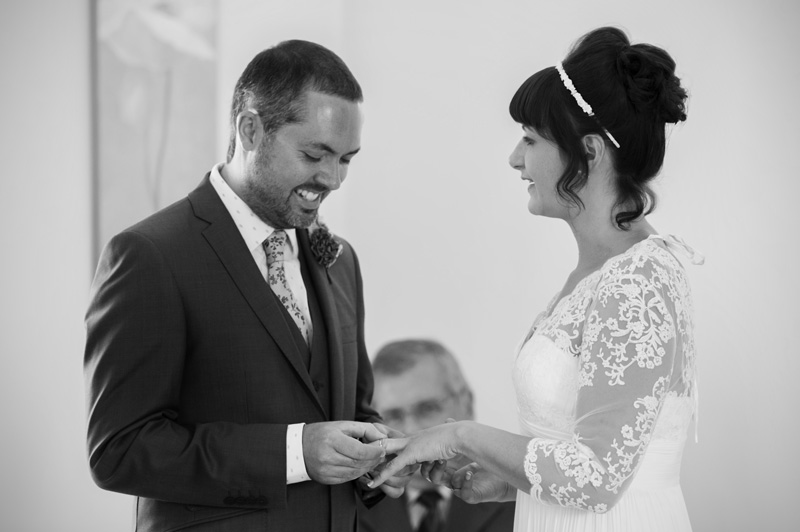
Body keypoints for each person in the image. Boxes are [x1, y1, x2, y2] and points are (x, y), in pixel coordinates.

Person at [367, 27, 702, 532]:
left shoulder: (636, 281)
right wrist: (501, 480)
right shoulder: (601, 273)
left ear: (588, 152)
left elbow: (597, 479)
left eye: (530, 139)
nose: (515, 158)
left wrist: (461, 435)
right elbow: (588, 455)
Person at [84, 39, 411, 532]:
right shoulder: (151, 255)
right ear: (251, 129)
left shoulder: (341, 260)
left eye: (346, 159)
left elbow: (349, 408)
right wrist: (294, 453)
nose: (333, 179)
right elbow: (120, 451)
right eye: (315, 153)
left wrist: (377, 454)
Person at [358, 339, 515, 532]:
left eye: (427, 409)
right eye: (393, 416)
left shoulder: (521, 492)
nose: (412, 429)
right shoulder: (350, 509)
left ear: (467, 404)